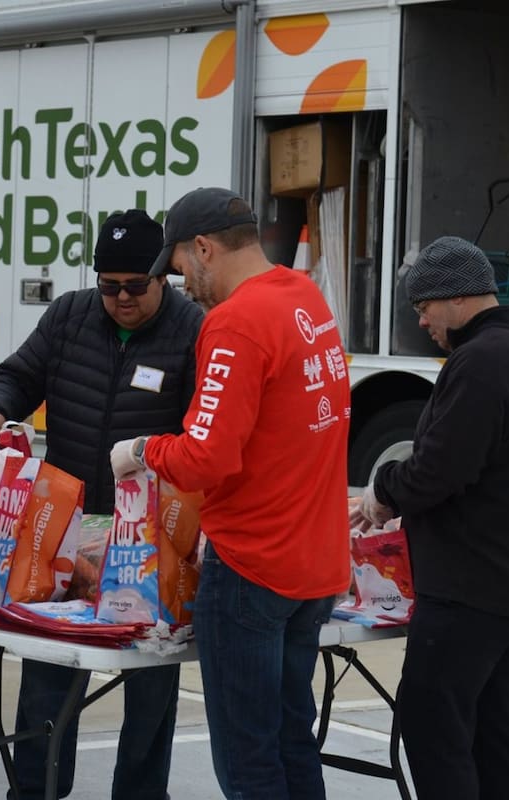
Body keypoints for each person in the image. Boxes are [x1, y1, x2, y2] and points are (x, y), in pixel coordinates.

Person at [110, 187, 350, 799]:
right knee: (292, 740)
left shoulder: (236, 322)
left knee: (249, 762)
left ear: (204, 248)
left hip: (253, 565)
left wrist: (142, 451)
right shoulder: (303, 296)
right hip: (313, 563)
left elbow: (206, 457)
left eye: (179, 267)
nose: (183, 284)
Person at [0, 209, 204, 800]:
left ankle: (141, 794)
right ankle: (37, 789)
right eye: (108, 286)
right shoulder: (70, 315)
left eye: (135, 286)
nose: (120, 299)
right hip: (65, 529)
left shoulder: (193, 329)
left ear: (162, 277)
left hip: (149, 538)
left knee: (150, 678)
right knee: (46, 668)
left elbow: (205, 432)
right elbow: (18, 374)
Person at [351, 236, 509, 799]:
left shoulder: (483, 361)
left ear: (458, 298)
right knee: (493, 732)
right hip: (508, 582)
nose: (422, 322)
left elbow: (439, 469)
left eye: (425, 308)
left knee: (433, 728)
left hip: (471, 587)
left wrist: (381, 492)